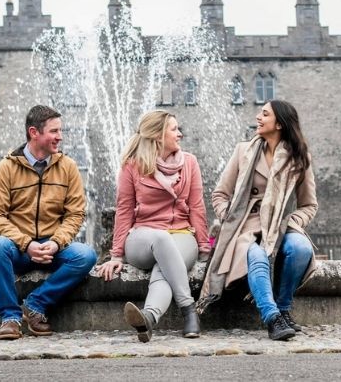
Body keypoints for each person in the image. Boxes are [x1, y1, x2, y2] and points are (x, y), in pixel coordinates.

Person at [197, 100, 318, 341]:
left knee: (301, 248)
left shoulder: (299, 157)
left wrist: (293, 221)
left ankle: (283, 308)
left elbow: (309, 204)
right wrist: (230, 217)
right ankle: (272, 318)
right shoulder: (244, 151)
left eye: (264, 114)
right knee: (256, 256)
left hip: (280, 225)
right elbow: (219, 194)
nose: (258, 117)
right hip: (245, 225)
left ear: (280, 124)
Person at [0, 105, 97, 340]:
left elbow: (75, 214)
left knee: (86, 255)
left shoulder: (68, 167)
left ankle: (35, 305)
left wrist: (56, 243)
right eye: (54, 131)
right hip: (19, 249)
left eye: (60, 130)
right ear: (34, 133)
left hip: (52, 247)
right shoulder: (7, 167)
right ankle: (10, 317)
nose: (60, 137)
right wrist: (26, 244)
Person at [96, 110, 210, 342]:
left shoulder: (189, 163)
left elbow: (197, 207)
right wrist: (117, 255)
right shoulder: (132, 166)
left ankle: (148, 317)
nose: (179, 134)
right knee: (161, 239)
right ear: (158, 135)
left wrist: (204, 247)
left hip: (181, 235)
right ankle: (189, 309)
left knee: (164, 267)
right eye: (174, 129)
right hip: (143, 238)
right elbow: (125, 210)